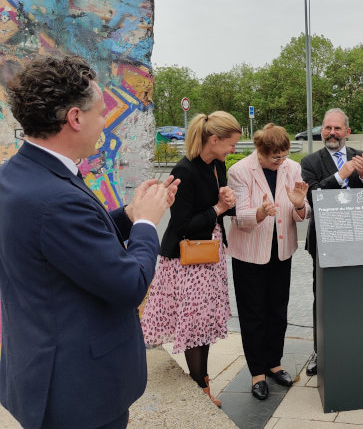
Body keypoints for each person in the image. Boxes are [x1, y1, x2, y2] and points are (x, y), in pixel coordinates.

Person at [0, 56, 178, 429]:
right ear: (75, 119)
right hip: (79, 390)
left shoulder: (18, 176)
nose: (104, 122)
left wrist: (128, 215)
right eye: (100, 113)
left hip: (41, 367)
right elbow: (129, 284)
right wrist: (147, 223)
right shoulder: (54, 197)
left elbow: (65, 246)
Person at [141, 111, 240, 407]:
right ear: (213, 140)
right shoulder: (185, 170)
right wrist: (220, 208)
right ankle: (201, 389)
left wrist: (229, 204)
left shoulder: (216, 165)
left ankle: (203, 384)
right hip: (187, 260)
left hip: (210, 254)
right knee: (196, 325)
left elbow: (217, 208)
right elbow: (182, 224)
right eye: (231, 144)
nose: (233, 150)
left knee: (204, 322)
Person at [227, 124, 310, 400]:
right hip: (250, 254)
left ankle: (274, 363)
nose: (281, 162)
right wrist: (260, 213)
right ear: (260, 152)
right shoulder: (239, 171)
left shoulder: (292, 169)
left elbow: (301, 214)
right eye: (275, 158)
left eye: (284, 156)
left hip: (281, 251)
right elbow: (239, 218)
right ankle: (257, 373)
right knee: (254, 314)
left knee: (277, 310)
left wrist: (299, 205)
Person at [300, 108, 363, 375]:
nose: (331, 133)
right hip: (324, 241)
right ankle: (320, 351)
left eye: (337, 128)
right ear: (321, 131)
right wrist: (341, 175)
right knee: (323, 297)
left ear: (347, 132)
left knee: (357, 296)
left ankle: (355, 346)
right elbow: (312, 197)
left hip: (359, 240)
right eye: (327, 128)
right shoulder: (310, 161)